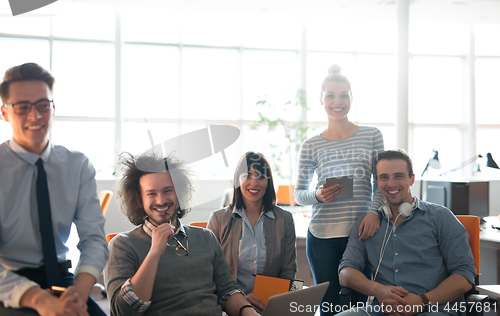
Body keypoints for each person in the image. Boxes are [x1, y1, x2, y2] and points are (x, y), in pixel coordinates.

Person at [0, 63, 109, 316]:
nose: (35, 116)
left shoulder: (77, 165)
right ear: (5, 112)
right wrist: (38, 299)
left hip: (62, 279)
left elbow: (94, 240)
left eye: (42, 105)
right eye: (22, 107)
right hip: (8, 281)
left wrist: (79, 294)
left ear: (53, 107)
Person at [104, 152, 260, 316]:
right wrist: (154, 254)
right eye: (151, 193)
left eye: (167, 191)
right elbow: (123, 311)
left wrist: (248, 312)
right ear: (139, 200)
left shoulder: (206, 238)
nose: (161, 200)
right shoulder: (122, 245)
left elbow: (227, 291)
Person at [338, 150, 476, 316]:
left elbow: (465, 275)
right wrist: (380, 291)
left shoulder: (441, 217)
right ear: (377, 181)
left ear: (412, 179)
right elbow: (345, 273)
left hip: (432, 309)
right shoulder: (366, 223)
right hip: (383, 310)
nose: (391, 183)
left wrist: (421, 301)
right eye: (384, 177)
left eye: (398, 176)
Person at [294, 64, 385, 315]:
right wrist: (317, 196)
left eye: (344, 95)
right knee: (330, 308)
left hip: (362, 234)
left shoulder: (371, 135)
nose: (338, 101)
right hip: (322, 236)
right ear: (321, 99)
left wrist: (374, 212)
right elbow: (298, 193)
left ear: (352, 98)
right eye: (331, 95)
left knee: (360, 308)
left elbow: (380, 185)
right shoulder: (310, 145)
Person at [207, 151, 297, 312]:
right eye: (247, 176)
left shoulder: (285, 220)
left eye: (261, 176)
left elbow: (288, 272)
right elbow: (209, 273)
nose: (254, 183)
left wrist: (274, 302)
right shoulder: (218, 219)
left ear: (268, 182)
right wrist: (239, 301)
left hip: (269, 306)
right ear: (237, 180)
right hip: (229, 307)